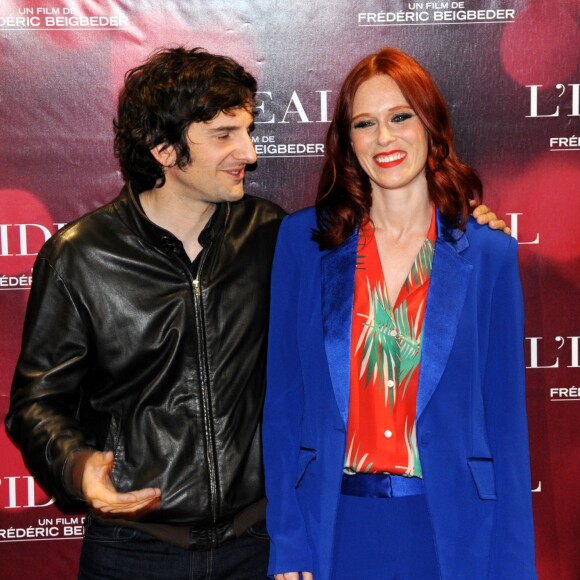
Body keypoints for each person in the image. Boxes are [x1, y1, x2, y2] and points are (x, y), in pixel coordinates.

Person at [6, 46, 506, 580]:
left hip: (258, 547)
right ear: (164, 150)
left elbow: (386, 247)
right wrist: (79, 469)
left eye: (247, 129)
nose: (249, 151)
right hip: (132, 550)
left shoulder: (275, 237)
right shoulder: (81, 255)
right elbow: (37, 403)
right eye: (224, 135)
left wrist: (467, 234)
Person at [262, 48, 536, 580]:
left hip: (452, 535)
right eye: (365, 124)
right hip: (333, 530)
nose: (384, 138)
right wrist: (289, 542)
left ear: (431, 125)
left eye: (400, 116)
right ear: (348, 142)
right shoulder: (303, 244)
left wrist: (513, 567)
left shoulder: (490, 256)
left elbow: (506, 426)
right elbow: (283, 405)